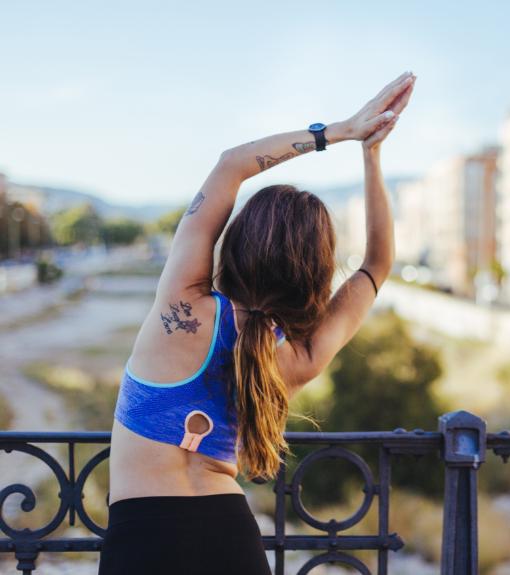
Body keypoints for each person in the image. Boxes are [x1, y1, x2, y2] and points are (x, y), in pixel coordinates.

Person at [98, 71, 417, 575]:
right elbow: (376, 266)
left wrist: (341, 130)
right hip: (231, 536)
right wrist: (372, 157)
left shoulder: (184, 307)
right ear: (312, 273)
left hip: (145, 535)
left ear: (238, 240)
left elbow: (231, 165)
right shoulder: (297, 356)